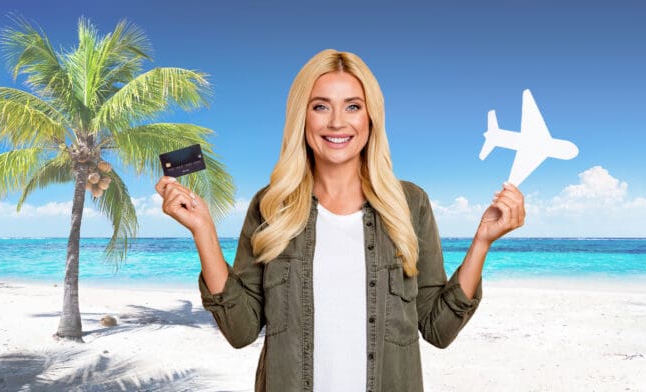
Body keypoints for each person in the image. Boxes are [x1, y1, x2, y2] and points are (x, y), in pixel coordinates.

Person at [155, 49, 525, 392]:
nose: (336, 122)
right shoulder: (270, 206)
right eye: (320, 107)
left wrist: (481, 243)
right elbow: (241, 330)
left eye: (352, 106)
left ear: (370, 117)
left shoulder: (410, 204)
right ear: (302, 116)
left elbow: (438, 328)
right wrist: (203, 231)